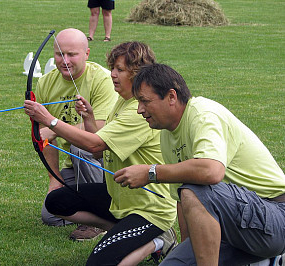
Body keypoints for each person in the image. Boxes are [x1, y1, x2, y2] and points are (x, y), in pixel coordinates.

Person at [114, 63, 285, 265]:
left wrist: (151, 172)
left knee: (197, 189)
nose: (139, 110)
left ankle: (272, 258)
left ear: (171, 96)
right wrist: (188, 252)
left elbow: (211, 171)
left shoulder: (204, 114)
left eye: (144, 101)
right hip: (228, 227)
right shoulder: (167, 136)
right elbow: (183, 202)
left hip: (274, 217)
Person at [24, 42, 178, 265]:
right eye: (113, 68)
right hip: (119, 196)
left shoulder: (139, 110)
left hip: (148, 208)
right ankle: (122, 233)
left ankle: (159, 240)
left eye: (120, 70)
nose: (113, 74)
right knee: (57, 202)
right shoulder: (122, 100)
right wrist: (89, 120)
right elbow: (100, 152)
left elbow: (95, 145)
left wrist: (50, 121)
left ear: (138, 73)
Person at [36, 28, 117, 240]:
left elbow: (96, 134)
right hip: (76, 165)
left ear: (87, 54)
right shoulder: (45, 82)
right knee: (51, 214)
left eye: (72, 54)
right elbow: (43, 139)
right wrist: (55, 178)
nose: (65, 60)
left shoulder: (102, 79)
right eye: (59, 54)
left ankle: (102, 213)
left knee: (79, 147)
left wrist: (53, 126)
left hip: (105, 163)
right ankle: (108, 222)